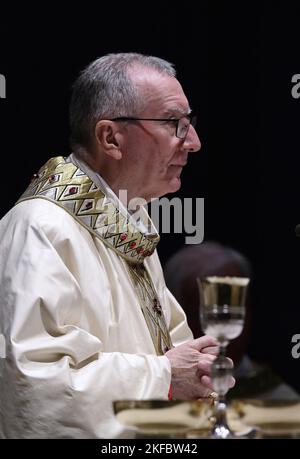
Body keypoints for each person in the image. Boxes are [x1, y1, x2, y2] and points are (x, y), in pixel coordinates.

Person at [0, 53, 234, 439]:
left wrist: (197, 372)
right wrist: (165, 377)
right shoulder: (40, 230)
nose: (193, 141)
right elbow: (33, 391)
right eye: (174, 124)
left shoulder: (127, 224)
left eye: (190, 123)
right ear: (110, 137)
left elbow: (171, 352)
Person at [164, 241, 300, 400]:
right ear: (180, 310)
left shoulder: (283, 402)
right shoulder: (159, 387)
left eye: (233, 305)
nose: (224, 319)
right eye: (210, 307)